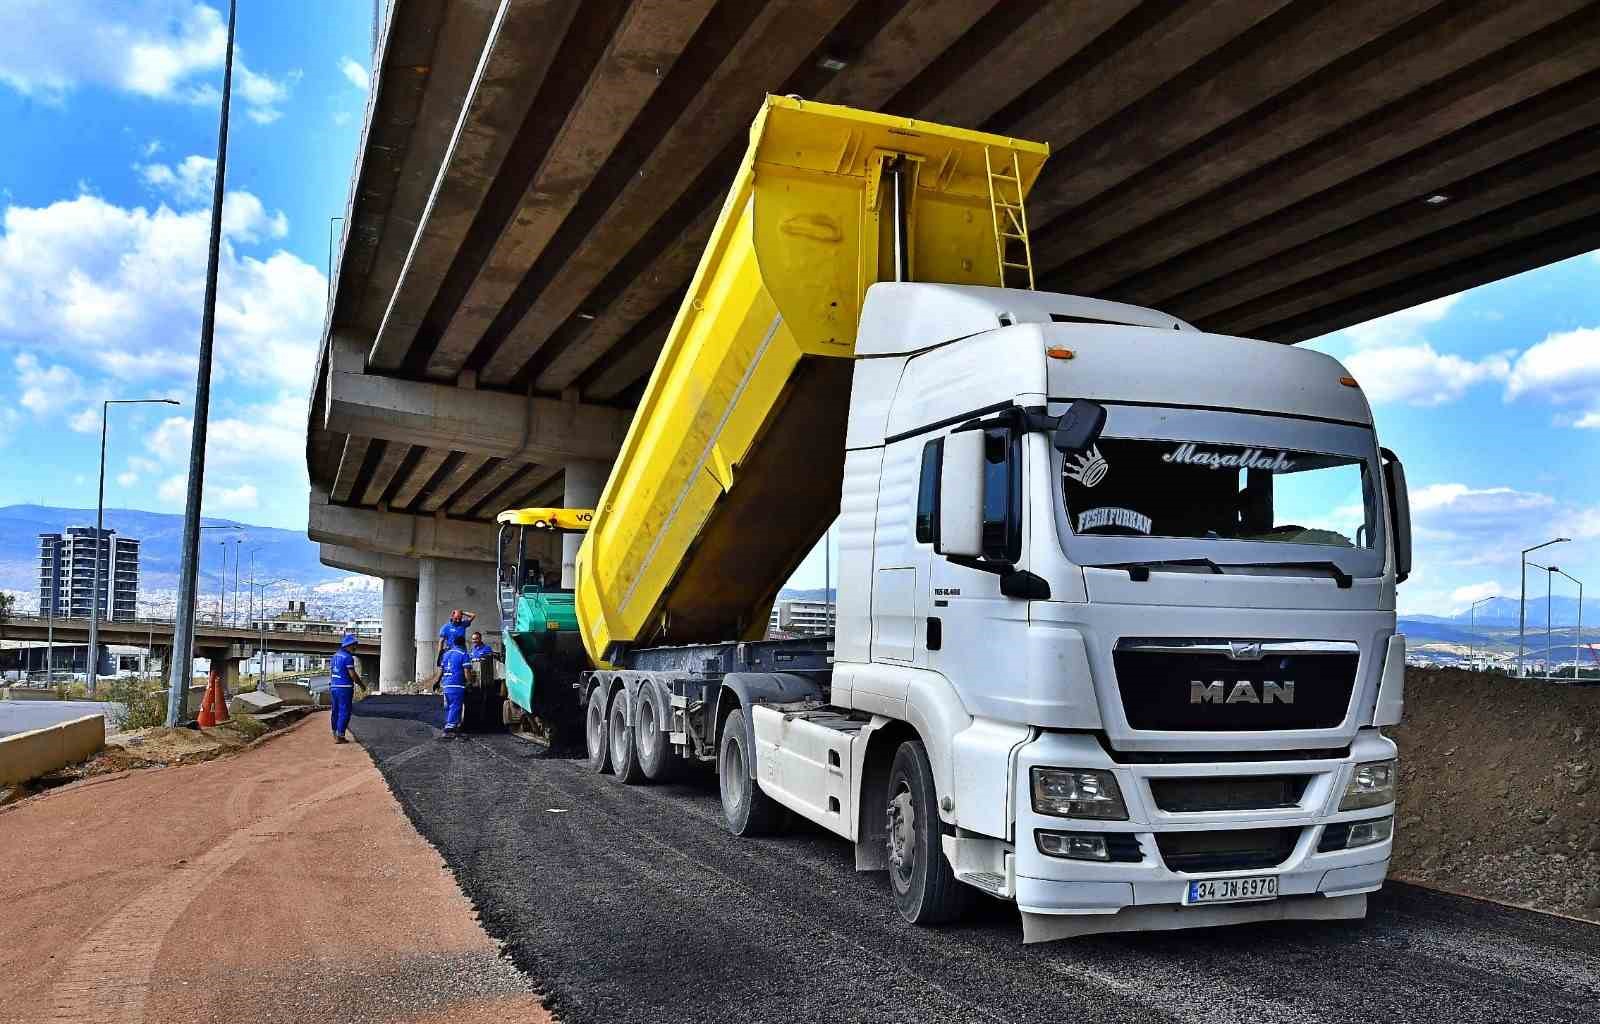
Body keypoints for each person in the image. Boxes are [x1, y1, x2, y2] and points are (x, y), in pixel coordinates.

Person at [328, 632, 366, 744]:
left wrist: (332, 684)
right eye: (354, 645)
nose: (355, 647)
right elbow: (352, 675)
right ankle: (340, 736)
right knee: (345, 711)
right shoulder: (348, 657)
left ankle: (335, 732)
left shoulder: (335, 656)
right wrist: (361, 685)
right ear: (349, 645)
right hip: (344, 688)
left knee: (335, 710)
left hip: (334, 686)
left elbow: (331, 672)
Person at [438, 642, 470, 739]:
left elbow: (441, 670)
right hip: (457, 684)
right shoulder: (463, 654)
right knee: (456, 706)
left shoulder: (446, 654)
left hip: (446, 685)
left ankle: (453, 726)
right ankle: (449, 729)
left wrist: (437, 682)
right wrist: (470, 682)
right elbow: (467, 671)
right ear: (463, 645)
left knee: (449, 706)